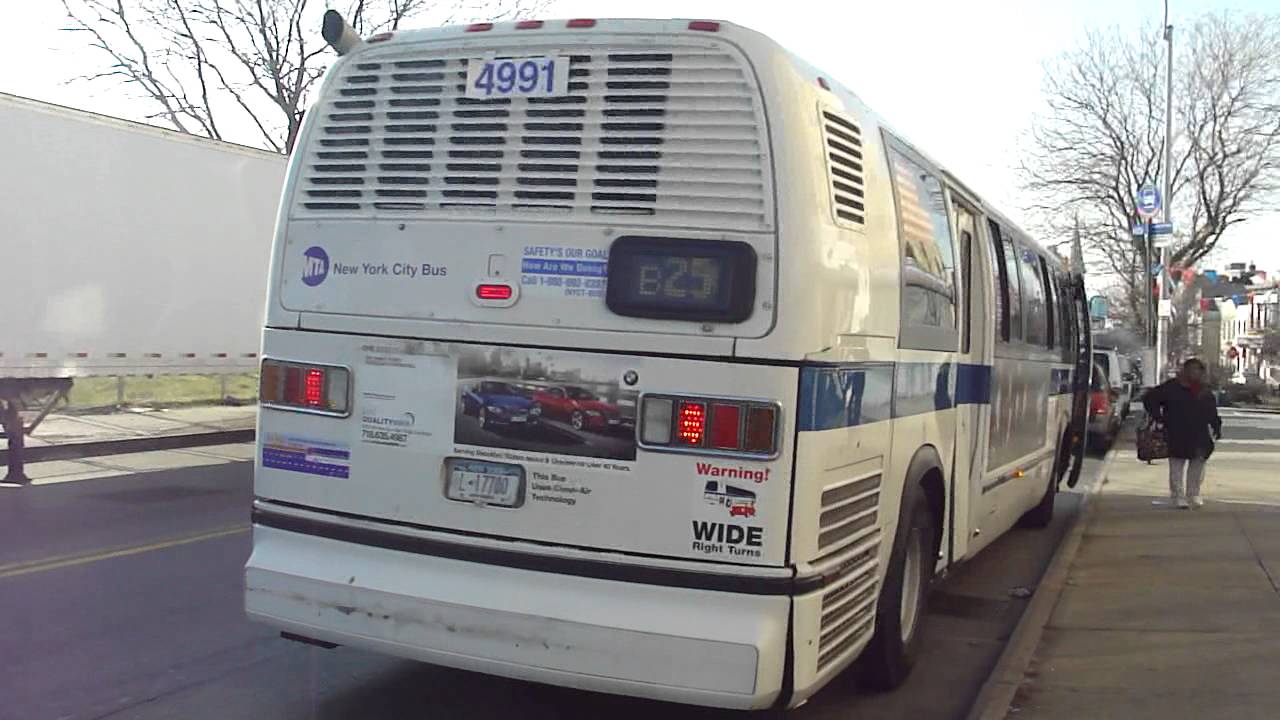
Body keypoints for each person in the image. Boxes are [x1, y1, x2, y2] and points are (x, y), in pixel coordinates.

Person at [1142, 358, 1222, 509]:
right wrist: (1159, 417)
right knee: (1177, 466)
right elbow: (1150, 399)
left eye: (1198, 370)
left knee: (1197, 465)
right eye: (1192, 370)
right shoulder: (1171, 387)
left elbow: (1211, 411)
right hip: (1176, 431)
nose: (1195, 373)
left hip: (1199, 433)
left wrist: (1216, 426)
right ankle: (1178, 496)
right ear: (1185, 371)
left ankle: (1194, 494)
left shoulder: (1204, 390)